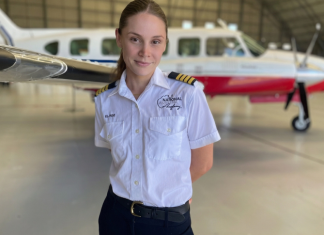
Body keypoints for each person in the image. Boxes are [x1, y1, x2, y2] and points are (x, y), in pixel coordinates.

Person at [94, 0, 220, 234]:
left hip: (168, 222)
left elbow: (203, 163)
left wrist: (173, 190)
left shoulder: (187, 94)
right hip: (115, 217)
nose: (145, 52)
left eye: (155, 41)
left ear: (164, 44)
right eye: (135, 39)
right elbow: (121, 158)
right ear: (119, 38)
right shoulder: (105, 100)